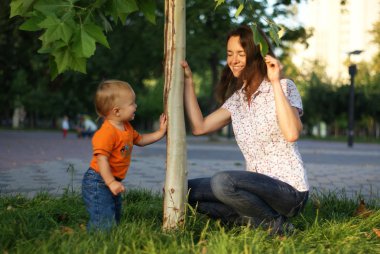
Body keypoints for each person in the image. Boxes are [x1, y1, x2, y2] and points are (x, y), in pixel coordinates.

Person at [181, 25, 309, 235]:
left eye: (241, 54)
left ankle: (276, 225)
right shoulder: (238, 99)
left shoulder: (285, 86)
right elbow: (199, 127)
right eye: (230, 54)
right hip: (253, 191)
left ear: (256, 55)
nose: (233, 60)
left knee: (223, 182)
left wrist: (275, 81)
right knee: (184, 190)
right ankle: (253, 219)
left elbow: (292, 133)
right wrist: (188, 82)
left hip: (289, 192)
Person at [82, 80, 167, 231]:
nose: (136, 106)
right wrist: (111, 182)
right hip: (98, 181)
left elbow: (140, 140)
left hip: (112, 180)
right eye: (132, 103)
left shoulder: (126, 127)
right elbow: (102, 160)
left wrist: (160, 132)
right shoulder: (106, 133)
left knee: (115, 214)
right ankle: (98, 243)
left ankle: (111, 236)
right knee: (103, 218)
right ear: (116, 111)